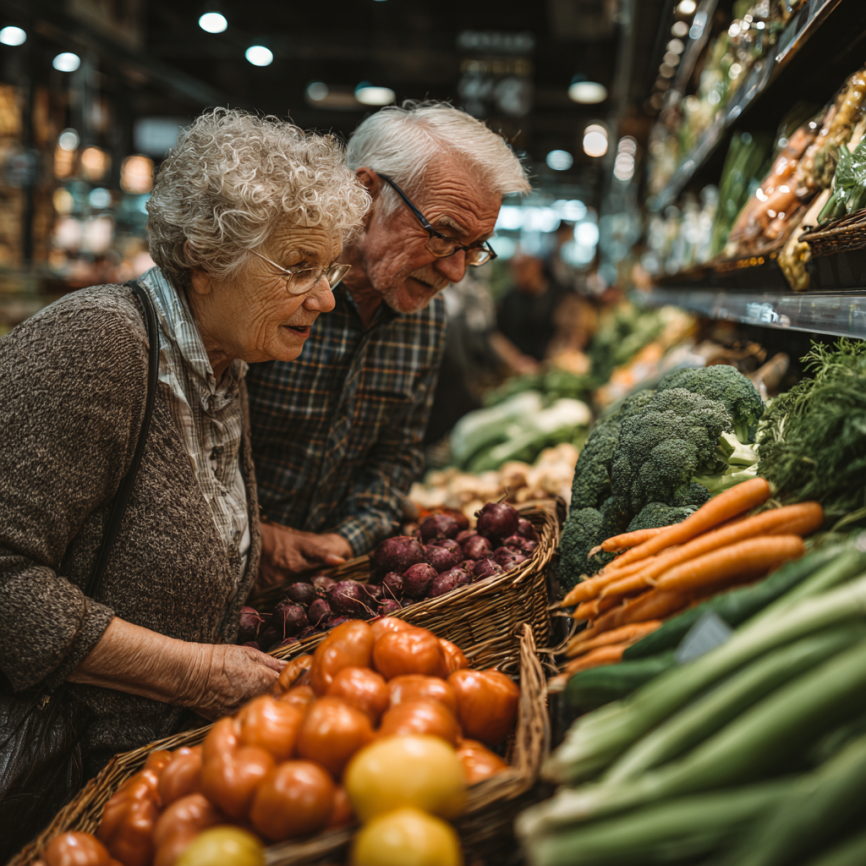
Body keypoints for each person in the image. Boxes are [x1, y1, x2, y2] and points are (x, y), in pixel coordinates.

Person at [0, 109, 369, 785]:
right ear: (205, 258)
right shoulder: (98, 343)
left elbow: (143, 537)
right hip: (53, 778)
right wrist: (194, 672)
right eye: (297, 267)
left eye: (331, 271)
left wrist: (260, 550)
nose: (323, 299)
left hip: (144, 773)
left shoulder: (224, 366)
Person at [247, 101, 531, 578]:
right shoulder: (266, 285)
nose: (455, 271)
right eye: (442, 234)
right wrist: (255, 533)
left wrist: (345, 540)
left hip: (328, 585)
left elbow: (396, 455)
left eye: (474, 248)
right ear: (365, 194)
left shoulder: (426, 314)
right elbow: (186, 448)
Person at [496, 252, 572, 362]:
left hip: (554, 363)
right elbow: (497, 334)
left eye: (524, 267)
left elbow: (571, 331)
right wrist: (515, 359)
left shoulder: (561, 296)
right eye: (514, 268)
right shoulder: (509, 299)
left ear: (538, 265)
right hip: (518, 366)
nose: (519, 273)